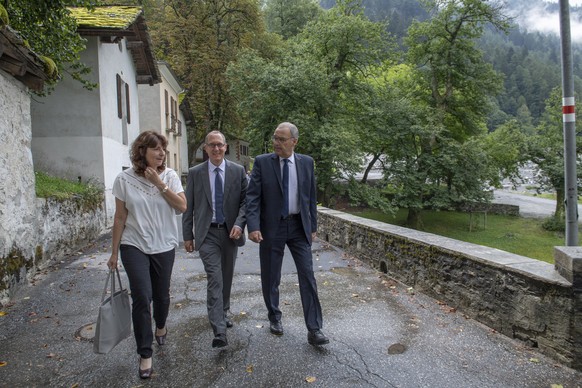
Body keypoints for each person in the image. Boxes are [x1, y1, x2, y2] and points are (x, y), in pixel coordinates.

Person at [107, 131, 187, 379]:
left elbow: (182, 206)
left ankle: (161, 325)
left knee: (161, 295)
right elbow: (120, 217)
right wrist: (113, 252)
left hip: (164, 245)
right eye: (156, 149)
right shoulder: (124, 179)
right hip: (134, 245)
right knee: (142, 296)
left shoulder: (170, 176)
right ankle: (145, 353)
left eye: (163, 148)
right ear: (142, 151)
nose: (162, 153)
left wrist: (159, 184)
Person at [246, 122, 329, 346]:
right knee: (272, 275)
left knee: (308, 275)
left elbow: (310, 197)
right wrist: (253, 226)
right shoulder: (263, 163)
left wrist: (312, 226)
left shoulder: (306, 163)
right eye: (275, 138)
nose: (276, 143)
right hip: (272, 227)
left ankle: (314, 329)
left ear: (294, 141)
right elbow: (252, 197)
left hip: (298, 227)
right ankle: (274, 316)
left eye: (282, 139)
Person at [182, 130, 247, 348]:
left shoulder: (238, 171)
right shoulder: (195, 172)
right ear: (206, 148)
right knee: (215, 278)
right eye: (212, 145)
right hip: (207, 233)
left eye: (220, 145)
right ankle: (219, 330)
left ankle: (223, 311)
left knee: (226, 277)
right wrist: (187, 235)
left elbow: (246, 203)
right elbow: (188, 206)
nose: (216, 148)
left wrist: (239, 224)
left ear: (226, 147)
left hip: (230, 233)